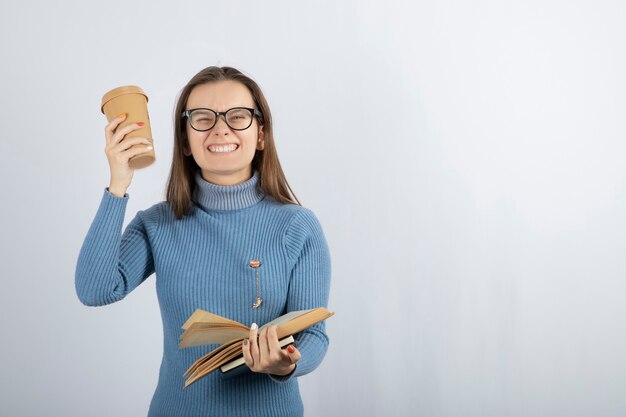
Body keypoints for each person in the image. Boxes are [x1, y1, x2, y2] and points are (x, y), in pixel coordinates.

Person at [75, 66, 331, 417]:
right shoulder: (157, 223)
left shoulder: (298, 226)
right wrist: (118, 183)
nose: (220, 128)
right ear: (184, 140)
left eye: (238, 116)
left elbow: (314, 336)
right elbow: (94, 289)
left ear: (260, 134)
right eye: (202, 118)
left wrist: (284, 365)